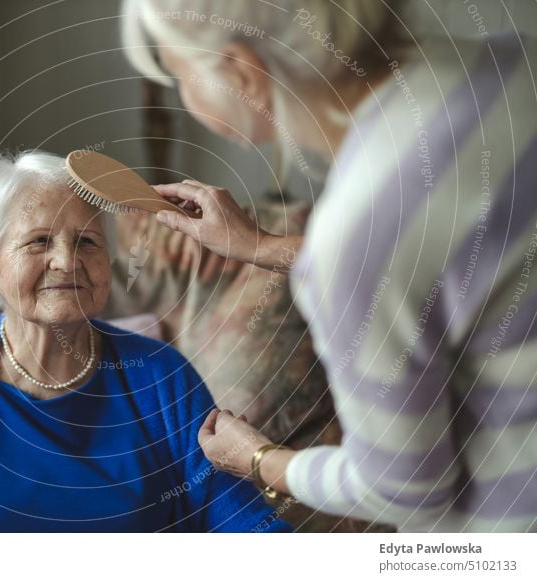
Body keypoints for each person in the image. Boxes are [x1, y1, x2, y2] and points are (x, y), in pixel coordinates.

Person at [122, 0, 537, 532]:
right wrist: (261, 245)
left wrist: (258, 458)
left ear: (240, 72)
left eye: (176, 72)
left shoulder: (360, 225)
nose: (181, 94)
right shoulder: (514, 62)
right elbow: (442, 268)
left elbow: (405, 495)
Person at [0, 150, 291, 533]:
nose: (67, 262)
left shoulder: (162, 378)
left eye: (88, 242)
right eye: (38, 242)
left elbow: (251, 531)